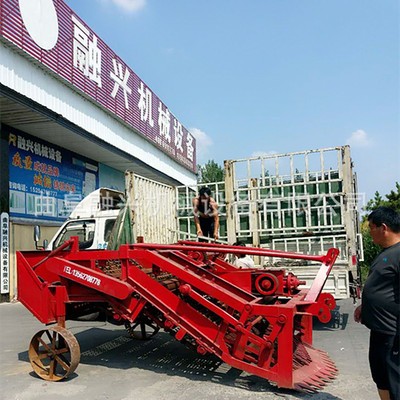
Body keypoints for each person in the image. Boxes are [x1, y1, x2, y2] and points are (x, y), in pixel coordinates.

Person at [353, 206, 400, 400]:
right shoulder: (386, 252)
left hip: (393, 333)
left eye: (372, 227)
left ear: (384, 228)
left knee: (395, 381)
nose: (370, 232)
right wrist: (365, 306)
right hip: (379, 331)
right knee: (381, 377)